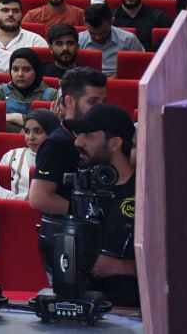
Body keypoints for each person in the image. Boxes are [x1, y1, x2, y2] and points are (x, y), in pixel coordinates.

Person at [64, 103, 140, 307]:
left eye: (88, 135)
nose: (78, 142)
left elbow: (176, 265)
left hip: (131, 310)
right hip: (83, 306)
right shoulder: (83, 189)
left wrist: (121, 267)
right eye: (78, 135)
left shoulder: (147, 193)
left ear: (114, 143)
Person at [28, 66, 108, 216]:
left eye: (103, 101)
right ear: (69, 101)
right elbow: (39, 198)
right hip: (70, 228)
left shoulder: (103, 135)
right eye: (92, 102)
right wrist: (90, 212)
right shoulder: (56, 144)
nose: (101, 108)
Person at [0, 48, 58, 133]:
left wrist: (16, 117)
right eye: (15, 69)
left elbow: (54, 126)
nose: (20, 74)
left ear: (36, 71)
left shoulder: (52, 95)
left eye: (26, 69)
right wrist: (23, 131)